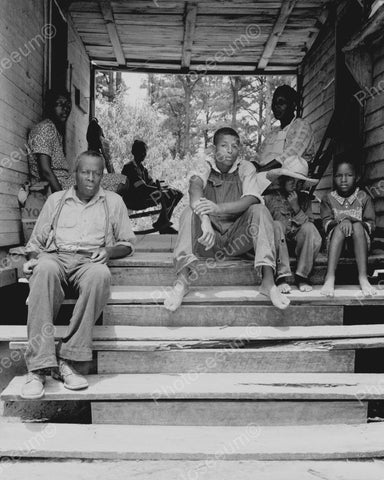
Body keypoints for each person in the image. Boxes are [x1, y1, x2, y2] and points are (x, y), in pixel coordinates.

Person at [20, 150, 135, 400]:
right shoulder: (57, 200)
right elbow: (35, 242)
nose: (91, 178)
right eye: (85, 172)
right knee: (44, 269)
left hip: (89, 259)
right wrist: (31, 260)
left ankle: (68, 361)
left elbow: (128, 243)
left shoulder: (113, 202)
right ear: (75, 173)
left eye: (96, 173)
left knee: (100, 276)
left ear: (102, 176)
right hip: (56, 256)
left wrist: (108, 250)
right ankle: (38, 369)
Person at [163, 127, 290, 312]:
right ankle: (182, 281)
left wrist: (217, 207)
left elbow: (251, 198)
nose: (230, 150)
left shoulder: (245, 168)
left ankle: (268, 282)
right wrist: (205, 219)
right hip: (208, 241)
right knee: (188, 213)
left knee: (260, 210)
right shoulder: (204, 164)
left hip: (237, 241)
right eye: (224, 145)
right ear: (214, 149)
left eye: (235, 146)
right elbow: (194, 188)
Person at [265, 155, 321, 293]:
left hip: (300, 246)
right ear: (282, 179)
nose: (294, 184)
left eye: (299, 181)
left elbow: (311, 229)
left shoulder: (305, 199)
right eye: (290, 179)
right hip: (278, 246)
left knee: (309, 227)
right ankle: (281, 277)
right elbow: (265, 226)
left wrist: (296, 208)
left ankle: (302, 276)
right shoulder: (270, 198)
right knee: (276, 225)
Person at [320, 160, 376, 297]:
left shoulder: (364, 198)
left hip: (359, 244)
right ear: (334, 178)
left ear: (356, 177)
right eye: (339, 176)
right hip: (335, 245)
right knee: (340, 227)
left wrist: (350, 220)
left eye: (349, 175)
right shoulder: (328, 199)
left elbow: (371, 225)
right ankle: (330, 276)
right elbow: (326, 223)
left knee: (357, 226)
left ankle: (363, 277)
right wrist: (342, 221)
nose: (343, 180)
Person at [119, 140, 183, 234]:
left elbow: (151, 184)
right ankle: (162, 225)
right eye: (141, 151)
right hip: (134, 200)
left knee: (177, 193)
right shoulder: (130, 168)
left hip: (143, 196)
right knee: (169, 194)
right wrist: (160, 190)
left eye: (144, 151)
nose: (143, 154)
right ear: (134, 152)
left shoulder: (142, 169)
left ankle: (163, 222)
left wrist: (164, 188)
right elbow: (143, 188)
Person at [256, 85, 315, 171]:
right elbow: (258, 158)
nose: (276, 106)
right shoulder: (273, 133)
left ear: (293, 104)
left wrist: (261, 171)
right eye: (274, 103)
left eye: (281, 102)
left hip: (288, 177)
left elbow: (289, 157)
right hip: (265, 174)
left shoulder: (302, 126)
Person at [28, 89, 73, 192]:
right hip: (56, 185)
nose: (65, 109)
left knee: (114, 180)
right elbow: (45, 171)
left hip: (66, 182)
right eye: (60, 104)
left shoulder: (54, 130)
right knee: (115, 181)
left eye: (68, 105)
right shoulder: (45, 128)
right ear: (50, 106)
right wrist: (60, 197)